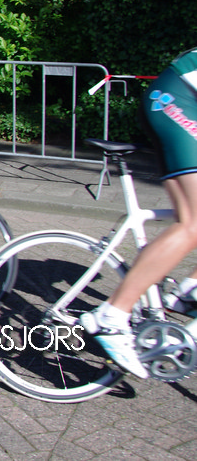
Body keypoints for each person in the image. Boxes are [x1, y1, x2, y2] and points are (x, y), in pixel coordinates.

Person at [80, 48, 197, 379]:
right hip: (177, 100)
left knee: (190, 219)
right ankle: (112, 315)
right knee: (193, 223)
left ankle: (189, 290)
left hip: (175, 98)